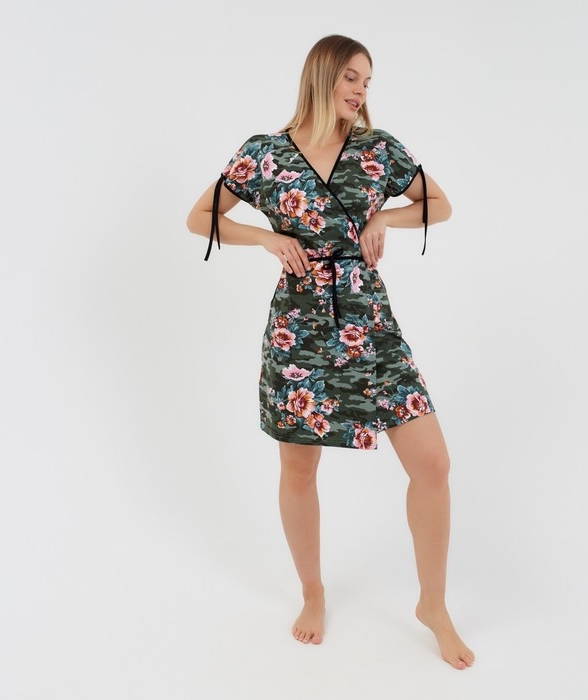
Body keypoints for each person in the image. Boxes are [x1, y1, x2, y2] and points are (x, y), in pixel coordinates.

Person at [186, 34, 475, 670]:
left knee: (432, 464)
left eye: (367, 82)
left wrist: (385, 219)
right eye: (351, 77)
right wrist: (265, 238)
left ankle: (433, 604)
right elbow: (200, 217)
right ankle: (312, 592)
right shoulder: (265, 155)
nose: (360, 91)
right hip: (300, 332)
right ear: (321, 75)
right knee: (299, 469)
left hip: (371, 325)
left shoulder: (378, 150)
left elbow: (441, 204)